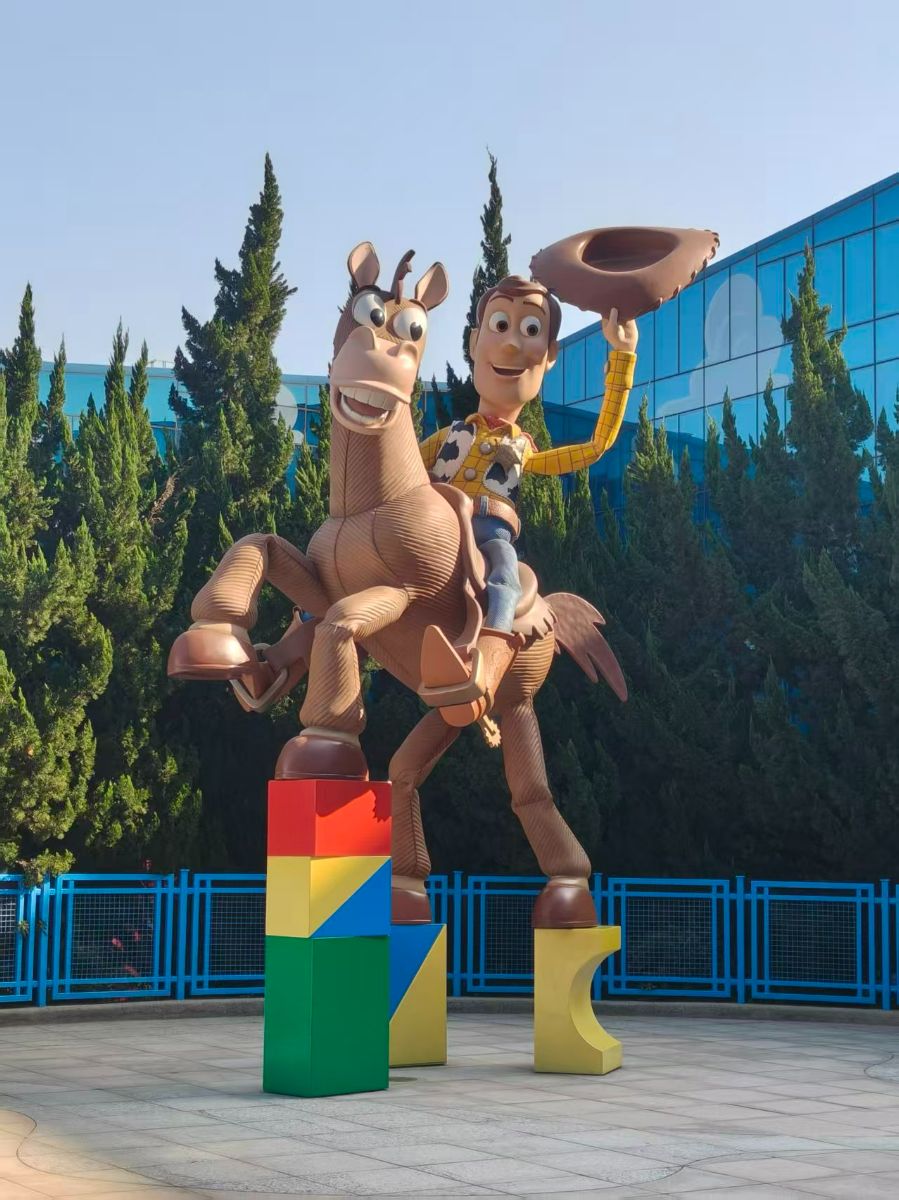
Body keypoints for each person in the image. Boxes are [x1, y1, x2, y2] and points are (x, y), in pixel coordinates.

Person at [418, 274, 637, 727]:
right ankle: (304, 627)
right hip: (433, 520)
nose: (512, 344)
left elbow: (595, 447)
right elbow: (402, 467)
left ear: (550, 355)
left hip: (489, 530)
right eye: (500, 325)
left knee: (505, 573)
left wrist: (621, 357)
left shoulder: (523, 448)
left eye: (531, 330)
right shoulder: (448, 436)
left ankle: (489, 653)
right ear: (475, 342)